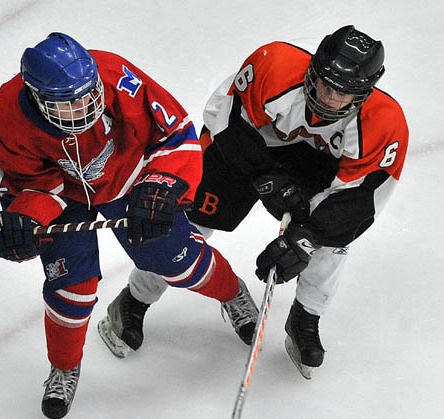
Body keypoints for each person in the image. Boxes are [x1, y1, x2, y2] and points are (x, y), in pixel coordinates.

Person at [0, 32, 259, 419]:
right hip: (64, 197)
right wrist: (21, 223)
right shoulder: (6, 121)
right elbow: (24, 188)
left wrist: (162, 187)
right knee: (69, 285)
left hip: (130, 179)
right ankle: (63, 367)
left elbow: (176, 133)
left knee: (177, 261)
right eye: (69, 102)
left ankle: (233, 294)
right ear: (39, 99)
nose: (86, 106)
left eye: (87, 94)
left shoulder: (115, 76)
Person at [103, 25, 408, 379]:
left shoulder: (385, 125)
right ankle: (134, 299)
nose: (326, 98)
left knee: (329, 245)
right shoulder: (275, 64)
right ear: (314, 68)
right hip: (248, 150)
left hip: (319, 169)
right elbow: (222, 117)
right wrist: (265, 176)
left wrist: (305, 237)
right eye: (324, 84)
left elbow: (360, 201)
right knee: (188, 223)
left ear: (364, 93)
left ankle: (304, 319)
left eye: (341, 94)